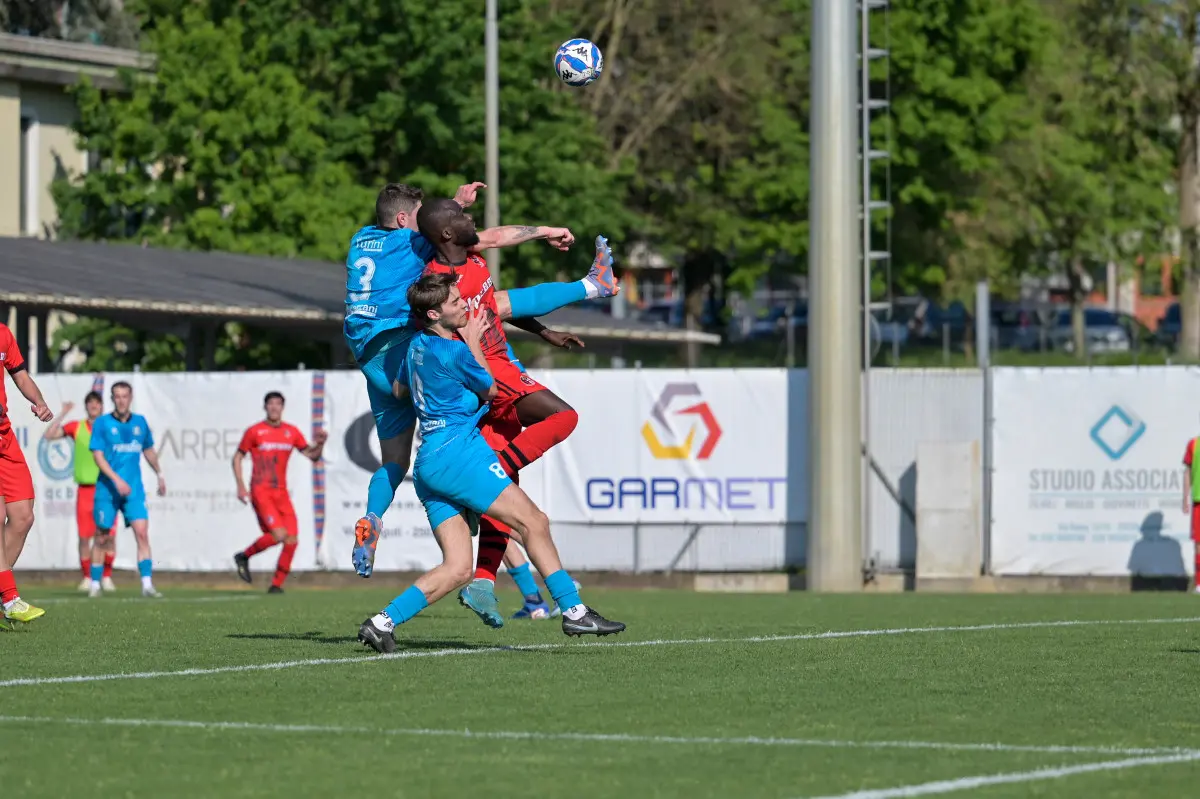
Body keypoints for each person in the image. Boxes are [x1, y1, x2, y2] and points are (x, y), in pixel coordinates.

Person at [345, 182, 617, 577]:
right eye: (417, 217)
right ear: (404, 222)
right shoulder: (411, 244)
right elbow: (483, 238)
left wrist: (455, 204)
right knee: (489, 319)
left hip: (372, 361)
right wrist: (545, 231)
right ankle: (591, 286)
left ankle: (372, 517)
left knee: (393, 461)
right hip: (407, 353)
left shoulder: (361, 239)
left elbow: (442, 226)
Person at [356, 272, 624, 653]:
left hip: (429, 461)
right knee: (535, 522)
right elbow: (492, 389)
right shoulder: (453, 350)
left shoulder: (414, 347)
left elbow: (399, 389)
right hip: (459, 453)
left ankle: (381, 623)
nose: (464, 303)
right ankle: (574, 611)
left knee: (458, 569)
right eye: (454, 302)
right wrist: (475, 342)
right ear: (434, 315)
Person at [418, 198, 618, 626]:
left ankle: (484, 582)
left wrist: (546, 332)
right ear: (447, 234)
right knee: (563, 418)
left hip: (498, 364)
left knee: (507, 494)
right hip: (489, 370)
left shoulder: (469, 260)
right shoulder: (441, 282)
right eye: (462, 218)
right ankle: (594, 285)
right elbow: (460, 327)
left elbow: (494, 306)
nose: (473, 221)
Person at [232, 391, 327, 593]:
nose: (274, 407)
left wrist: (320, 444)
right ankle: (244, 555)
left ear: (282, 407)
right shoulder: (255, 431)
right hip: (261, 490)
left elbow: (312, 456)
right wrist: (240, 485)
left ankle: (276, 585)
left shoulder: (291, 432)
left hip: (281, 493)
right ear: (265, 407)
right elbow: (238, 457)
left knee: (292, 539)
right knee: (278, 534)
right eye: (270, 404)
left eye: (278, 404)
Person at [89, 381, 166, 598]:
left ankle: (147, 584)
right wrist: (116, 480)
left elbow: (149, 450)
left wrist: (160, 473)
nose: (121, 400)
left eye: (125, 396)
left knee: (142, 533)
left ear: (130, 398)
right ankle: (95, 584)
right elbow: (98, 456)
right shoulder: (103, 424)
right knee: (102, 536)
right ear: (112, 399)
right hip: (107, 490)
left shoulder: (140, 422)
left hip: (133, 490)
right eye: (117, 396)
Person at [0, 322, 52, 627]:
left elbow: (19, 374)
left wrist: (39, 401)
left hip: (4, 435)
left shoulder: (4, 333)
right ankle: (9, 598)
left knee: (22, 516)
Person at [44, 392, 119, 592]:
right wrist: (63, 413)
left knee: (108, 536)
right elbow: (49, 435)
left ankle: (106, 576)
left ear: (102, 406)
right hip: (85, 491)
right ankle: (87, 576)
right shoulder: (77, 427)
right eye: (90, 403)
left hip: (106, 488)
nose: (94, 406)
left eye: (97, 403)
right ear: (86, 406)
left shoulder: (110, 427)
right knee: (85, 537)